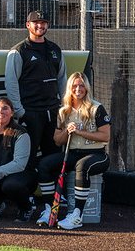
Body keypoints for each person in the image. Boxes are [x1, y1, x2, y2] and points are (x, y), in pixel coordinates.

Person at [35, 72, 110, 229]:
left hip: (97, 154)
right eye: (74, 86)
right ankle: (50, 210)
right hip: (73, 153)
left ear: (87, 88)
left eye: (81, 85)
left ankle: (76, 215)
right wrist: (66, 132)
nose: (78, 89)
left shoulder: (96, 108)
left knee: (82, 166)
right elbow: (57, 140)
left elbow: (105, 136)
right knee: (44, 164)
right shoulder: (64, 111)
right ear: (69, 88)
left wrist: (80, 132)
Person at [5, 11, 67, 167]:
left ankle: (53, 191)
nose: (40, 25)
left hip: (53, 113)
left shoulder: (55, 49)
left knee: (53, 157)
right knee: (28, 158)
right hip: (30, 113)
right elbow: (11, 83)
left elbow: (62, 79)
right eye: (36, 22)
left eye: (44, 22)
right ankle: (27, 190)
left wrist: (64, 108)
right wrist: (20, 112)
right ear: (28, 25)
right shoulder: (18, 51)